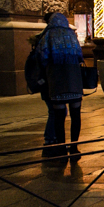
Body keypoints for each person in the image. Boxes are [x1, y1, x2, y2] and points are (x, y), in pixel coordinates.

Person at [36, 12, 84, 159]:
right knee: (76, 115)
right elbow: (80, 56)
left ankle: (61, 148)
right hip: (74, 80)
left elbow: (42, 57)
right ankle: (74, 147)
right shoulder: (72, 35)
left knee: (59, 116)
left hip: (57, 81)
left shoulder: (48, 35)